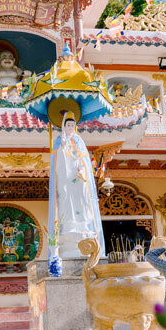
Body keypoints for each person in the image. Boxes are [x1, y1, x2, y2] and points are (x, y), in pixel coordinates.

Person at [48, 110, 105, 259]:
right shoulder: (59, 140)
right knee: (65, 198)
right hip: (65, 176)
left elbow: (85, 160)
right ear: (63, 125)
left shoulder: (79, 140)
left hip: (78, 177)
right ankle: (68, 223)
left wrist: (81, 168)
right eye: (68, 124)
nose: (70, 127)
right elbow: (57, 161)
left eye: (72, 124)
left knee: (83, 198)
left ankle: (83, 223)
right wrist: (63, 146)